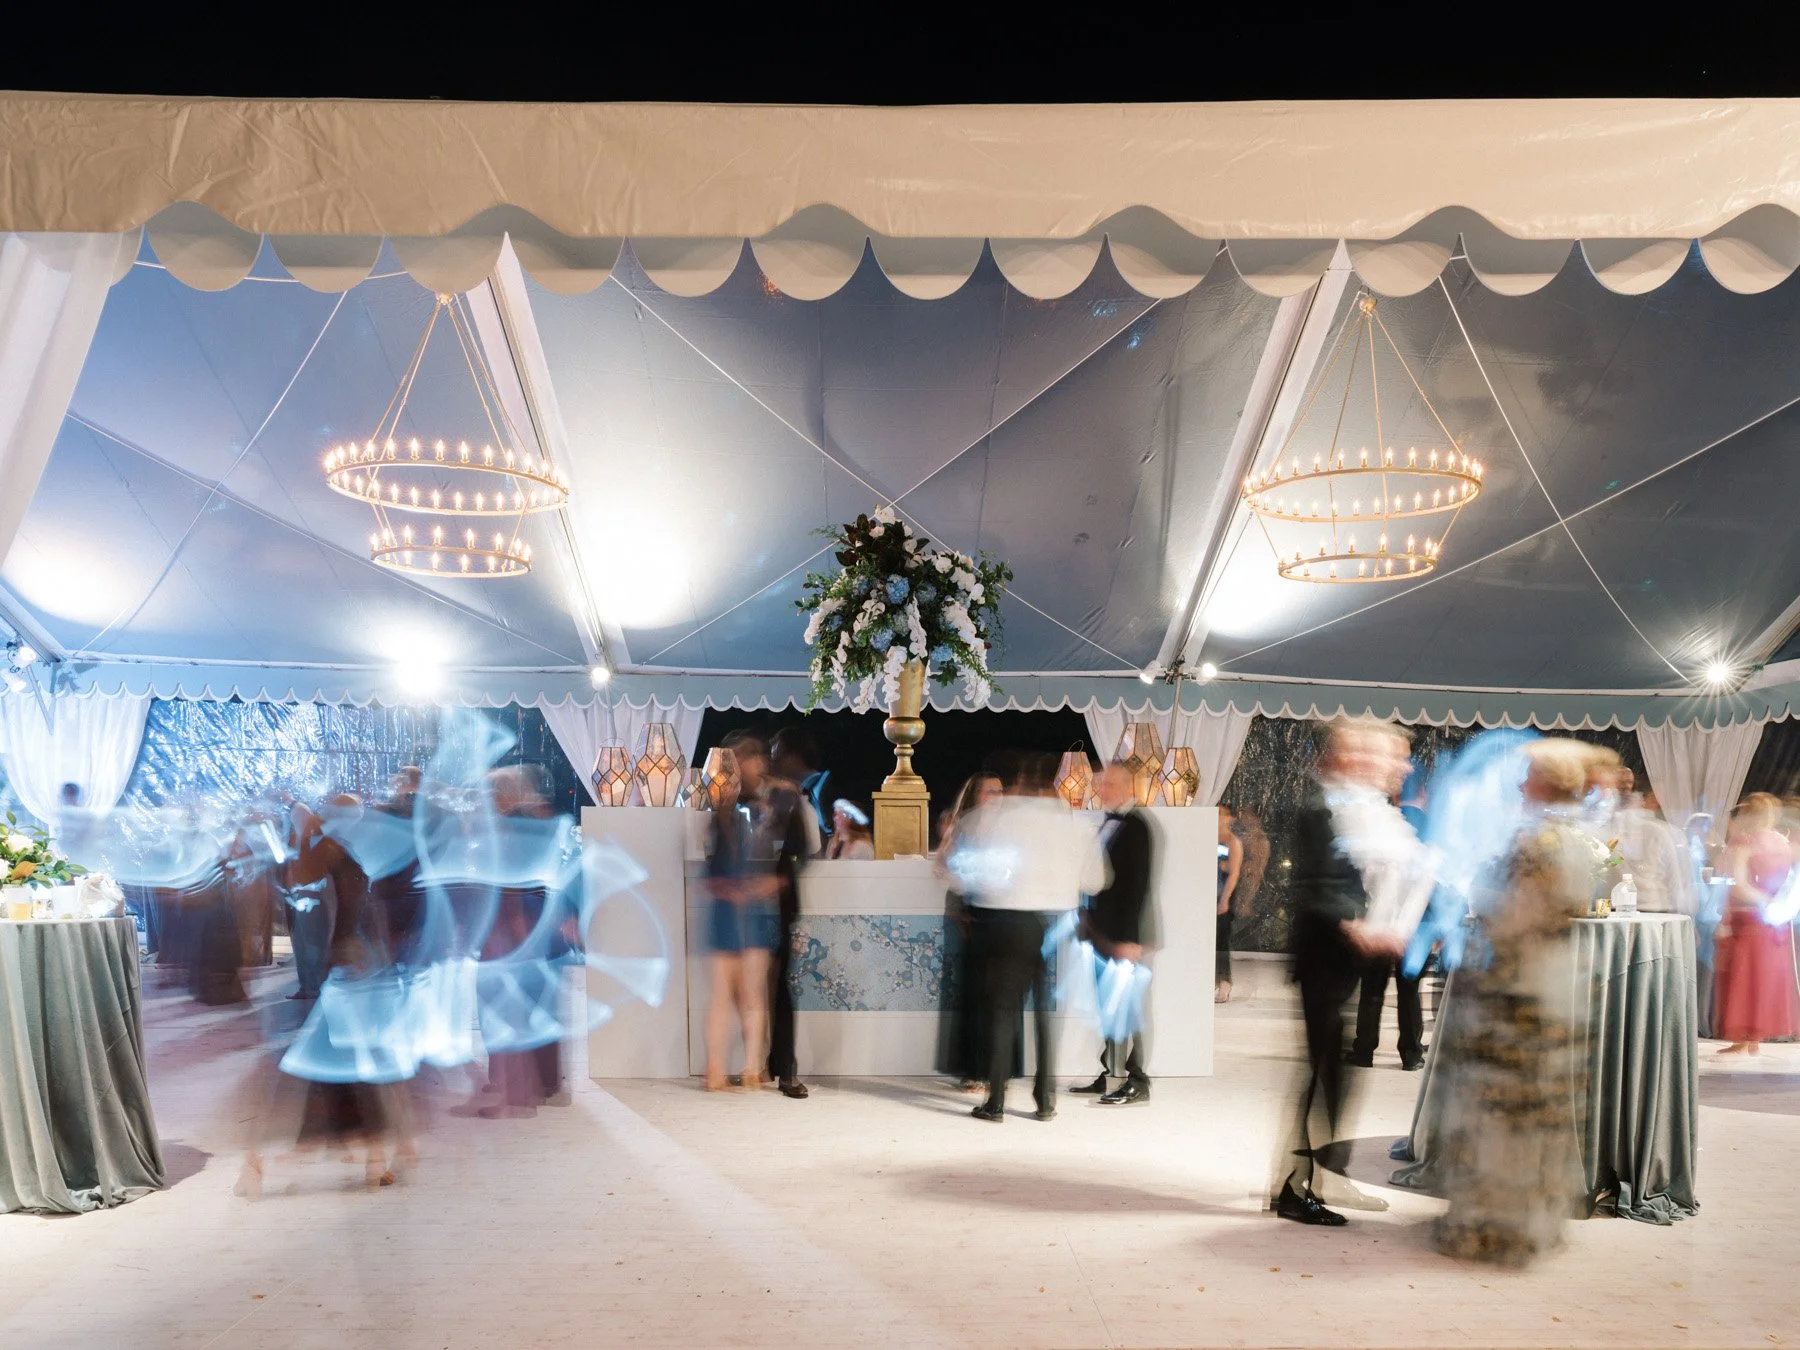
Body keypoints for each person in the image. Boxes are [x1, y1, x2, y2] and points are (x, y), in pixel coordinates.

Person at [1432, 738, 1595, 1265]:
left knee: (1503, 1112)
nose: (1522, 785)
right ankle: (1533, 1222)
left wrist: (1478, 893)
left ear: (1547, 782)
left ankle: (1494, 1230)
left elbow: (1514, 916)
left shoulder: (1538, 841)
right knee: (1535, 1116)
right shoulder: (1579, 838)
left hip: (1518, 990)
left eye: (1529, 776)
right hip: (1557, 987)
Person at [1270, 719, 1416, 1226]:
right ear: (1351, 756)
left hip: (1345, 959)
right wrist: (1357, 926)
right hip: (1322, 959)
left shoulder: (1367, 810)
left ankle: (1319, 1177)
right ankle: (1295, 1187)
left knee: (1333, 1072)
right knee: (1322, 1072)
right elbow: (1318, 883)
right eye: (1386, 756)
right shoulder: (1322, 808)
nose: (1398, 766)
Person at [951, 753, 1105, 1123]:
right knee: (1043, 1016)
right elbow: (1096, 880)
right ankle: (1045, 1099)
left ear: (1019, 780)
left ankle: (997, 1102)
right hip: (1045, 926)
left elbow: (964, 874)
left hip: (999, 922)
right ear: (1051, 783)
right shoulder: (1072, 824)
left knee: (1002, 1013)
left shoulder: (990, 818)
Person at [705, 732, 810, 1097]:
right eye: (730, 763)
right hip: (737, 908)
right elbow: (716, 857)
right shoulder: (727, 804)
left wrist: (775, 883)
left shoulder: (783, 797)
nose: (735, 768)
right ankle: (741, 1068)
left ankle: (770, 1069)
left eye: (739, 760)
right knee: (736, 993)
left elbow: (802, 848)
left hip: (767, 905)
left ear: (756, 761)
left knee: (766, 991)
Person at [1071, 764, 1155, 1104]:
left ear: (1126, 786)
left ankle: (1139, 1080)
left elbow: (1137, 888)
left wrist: (1127, 940)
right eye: (1100, 782)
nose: (1100, 788)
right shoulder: (1107, 822)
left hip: (1124, 937)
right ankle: (1110, 1073)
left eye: (1107, 783)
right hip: (1102, 933)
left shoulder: (1137, 826)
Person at [934, 771, 1016, 1092]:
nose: (996, 796)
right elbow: (941, 866)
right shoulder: (961, 826)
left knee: (999, 994)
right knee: (971, 994)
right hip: (966, 915)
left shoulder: (1009, 829)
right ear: (974, 796)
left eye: (999, 790)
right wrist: (967, 883)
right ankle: (973, 1069)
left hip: (1000, 915)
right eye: (988, 791)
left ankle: (997, 1068)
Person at [1350, 764, 1426, 1071]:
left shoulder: (1381, 828)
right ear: (1424, 792)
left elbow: (1365, 877)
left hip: (1377, 922)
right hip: (1412, 926)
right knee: (1409, 994)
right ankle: (1410, 1054)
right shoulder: (1429, 826)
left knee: (1371, 991)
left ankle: (1364, 1050)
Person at [1714, 792, 1800, 1055]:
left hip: (1749, 917)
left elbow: (1738, 884)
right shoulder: (1782, 842)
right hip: (1775, 923)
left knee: (1743, 977)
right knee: (1764, 978)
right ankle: (1754, 1038)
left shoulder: (1743, 842)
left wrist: (1762, 901)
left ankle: (1742, 1039)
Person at [771, 726, 830, 858]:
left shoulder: (825, 786)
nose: (774, 768)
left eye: (778, 760)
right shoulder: (785, 794)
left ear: (793, 757)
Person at [1214, 803, 1243, 1003]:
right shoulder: (1205, 836)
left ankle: (1224, 982)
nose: (1217, 817)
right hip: (1205, 896)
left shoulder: (1233, 841)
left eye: (1221, 814)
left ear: (1230, 818)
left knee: (1221, 941)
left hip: (1221, 897)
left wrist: (1224, 900)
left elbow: (1234, 874)